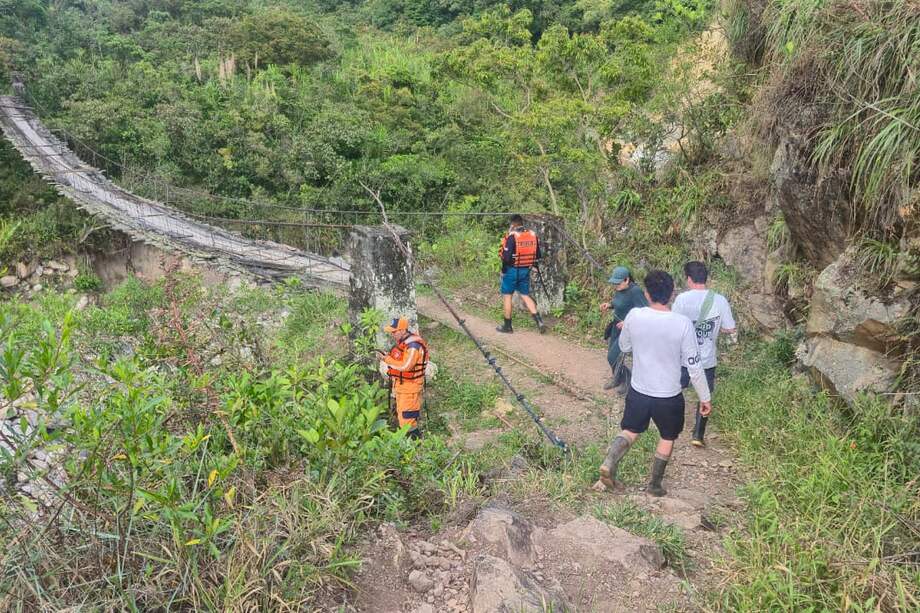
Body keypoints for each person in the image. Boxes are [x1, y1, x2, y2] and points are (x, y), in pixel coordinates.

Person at [598, 270, 711, 497]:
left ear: (647, 294)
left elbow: (625, 346)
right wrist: (705, 397)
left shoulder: (635, 316)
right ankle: (655, 485)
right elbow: (694, 365)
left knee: (630, 430)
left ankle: (609, 463)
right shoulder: (682, 323)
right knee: (667, 436)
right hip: (669, 395)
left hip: (639, 391)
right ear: (671, 294)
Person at [672, 261, 736, 448]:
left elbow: (673, 325)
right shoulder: (720, 300)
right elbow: (730, 328)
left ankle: (671, 423)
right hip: (707, 360)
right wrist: (716, 328)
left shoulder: (682, 299)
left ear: (689, 279)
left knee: (675, 389)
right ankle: (698, 435)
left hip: (684, 359)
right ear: (705, 278)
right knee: (705, 396)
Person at [379, 317, 429, 440]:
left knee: (408, 419)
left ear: (402, 330)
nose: (392, 334)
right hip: (403, 387)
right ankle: (409, 444)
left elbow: (406, 366)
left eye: (394, 331)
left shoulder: (413, 346)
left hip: (410, 388)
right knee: (403, 417)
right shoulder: (405, 343)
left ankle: (414, 444)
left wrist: (387, 359)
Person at [496, 214, 546, 334]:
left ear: (513, 224)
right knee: (525, 294)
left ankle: (507, 326)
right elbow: (538, 255)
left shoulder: (512, 237)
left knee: (507, 296)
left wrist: (503, 271)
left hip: (512, 271)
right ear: (522, 223)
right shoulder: (532, 235)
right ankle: (539, 321)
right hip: (525, 270)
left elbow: (506, 258)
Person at [600, 266, 648, 393]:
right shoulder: (620, 289)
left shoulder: (635, 291)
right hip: (616, 327)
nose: (616, 286)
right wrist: (609, 305)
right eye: (614, 283)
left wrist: (627, 322)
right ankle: (617, 378)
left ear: (627, 280)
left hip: (627, 330)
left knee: (612, 357)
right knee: (612, 356)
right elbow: (619, 303)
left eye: (618, 283)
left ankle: (627, 379)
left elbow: (645, 312)